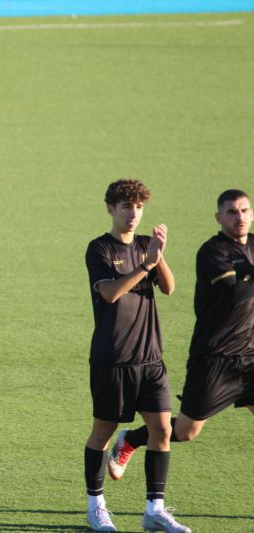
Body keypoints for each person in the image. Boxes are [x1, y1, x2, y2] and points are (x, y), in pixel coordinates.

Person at [108, 188, 254, 484]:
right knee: (187, 431)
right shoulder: (213, 252)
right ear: (219, 217)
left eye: (244, 211)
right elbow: (233, 294)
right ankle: (132, 439)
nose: (239, 217)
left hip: (250, 354)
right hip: (215, 356)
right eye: (231, 212)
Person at [83, 179, 189, 533]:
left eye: (139, 207)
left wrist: (159, 256)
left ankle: (154, 510)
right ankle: (96, 507)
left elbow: (169, 288)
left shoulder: (146, 245)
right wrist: (145, 266)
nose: (133, 214)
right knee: (103, 431)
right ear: (110, 209)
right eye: (126, 207)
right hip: (113, 358)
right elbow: (111, 293)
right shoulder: (99, 248)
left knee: (162, 429)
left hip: (151, 358)